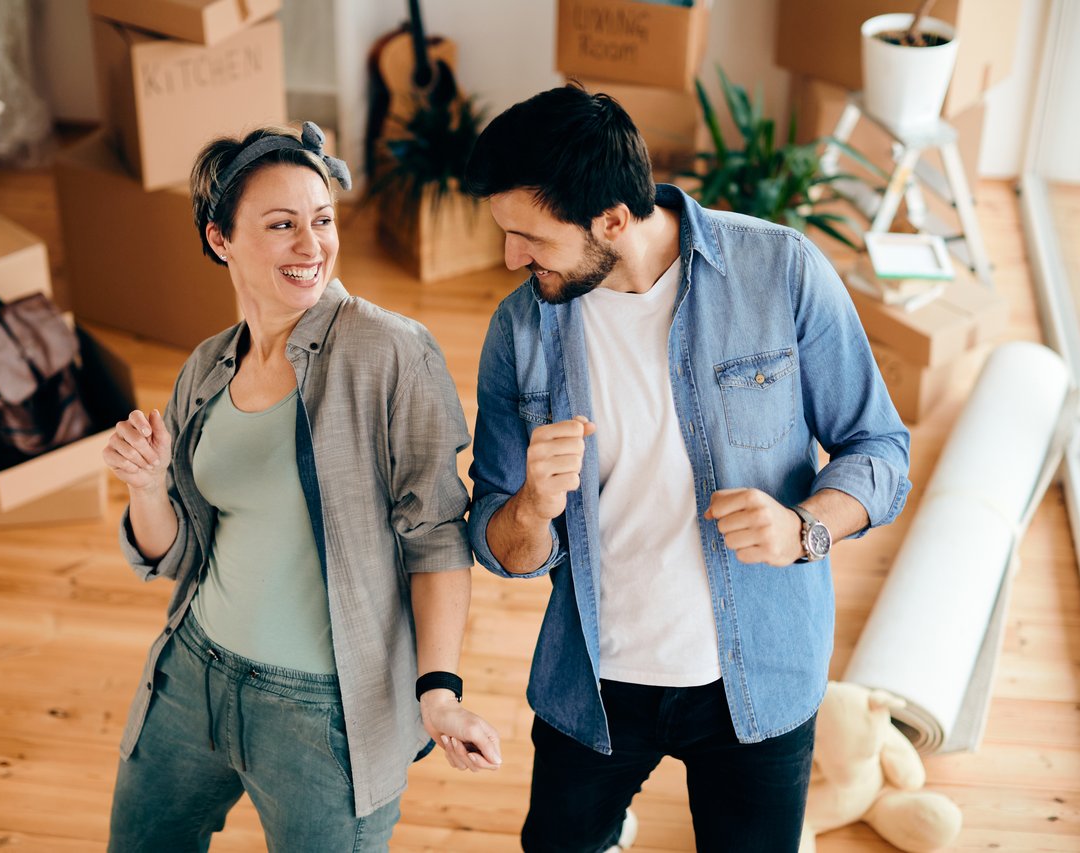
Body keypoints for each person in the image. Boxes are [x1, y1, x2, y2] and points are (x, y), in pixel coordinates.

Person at [463, 86, 912, 852]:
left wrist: (805, 527)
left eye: (530, 236)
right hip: (595, 686)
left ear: (612, 219)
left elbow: (881, 450)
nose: (511, 258)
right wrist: (533, 506)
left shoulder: (780, 272)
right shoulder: (522, 327)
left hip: (759, 680)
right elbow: (499, 546)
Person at [103, 122, 501, 853]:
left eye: (321, 221)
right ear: (221, 238)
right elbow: (179, 553)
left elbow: (437, 531)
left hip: (323, 712)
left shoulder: (390, 351)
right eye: (282, 225)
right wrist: (147, 485)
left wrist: (439, 691)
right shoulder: (207, 367)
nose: (311, 246)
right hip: (194, 671)